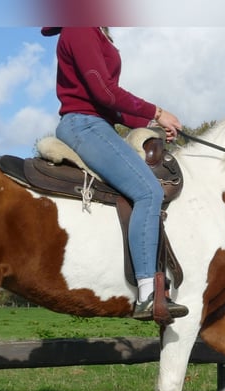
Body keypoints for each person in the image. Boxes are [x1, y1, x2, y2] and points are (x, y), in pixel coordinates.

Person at [41, 26, 189, 321]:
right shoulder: (80, 29)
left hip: (97, 123)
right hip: (84, 125)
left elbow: (108, 104)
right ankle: (148, 293)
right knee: (149, 191)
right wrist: (158, 111)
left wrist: (152, 120)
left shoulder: (96, 31)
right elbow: (105, 93)